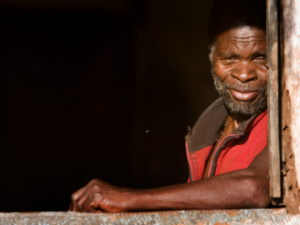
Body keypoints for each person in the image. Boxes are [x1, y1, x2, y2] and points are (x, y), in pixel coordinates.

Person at [69, 0, 270, 212]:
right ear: (211, 57)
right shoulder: (207, 131)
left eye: (260, 58)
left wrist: (127, 198)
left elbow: (256, 187)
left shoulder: (288, 122)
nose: (245, 74)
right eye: (230, 59)